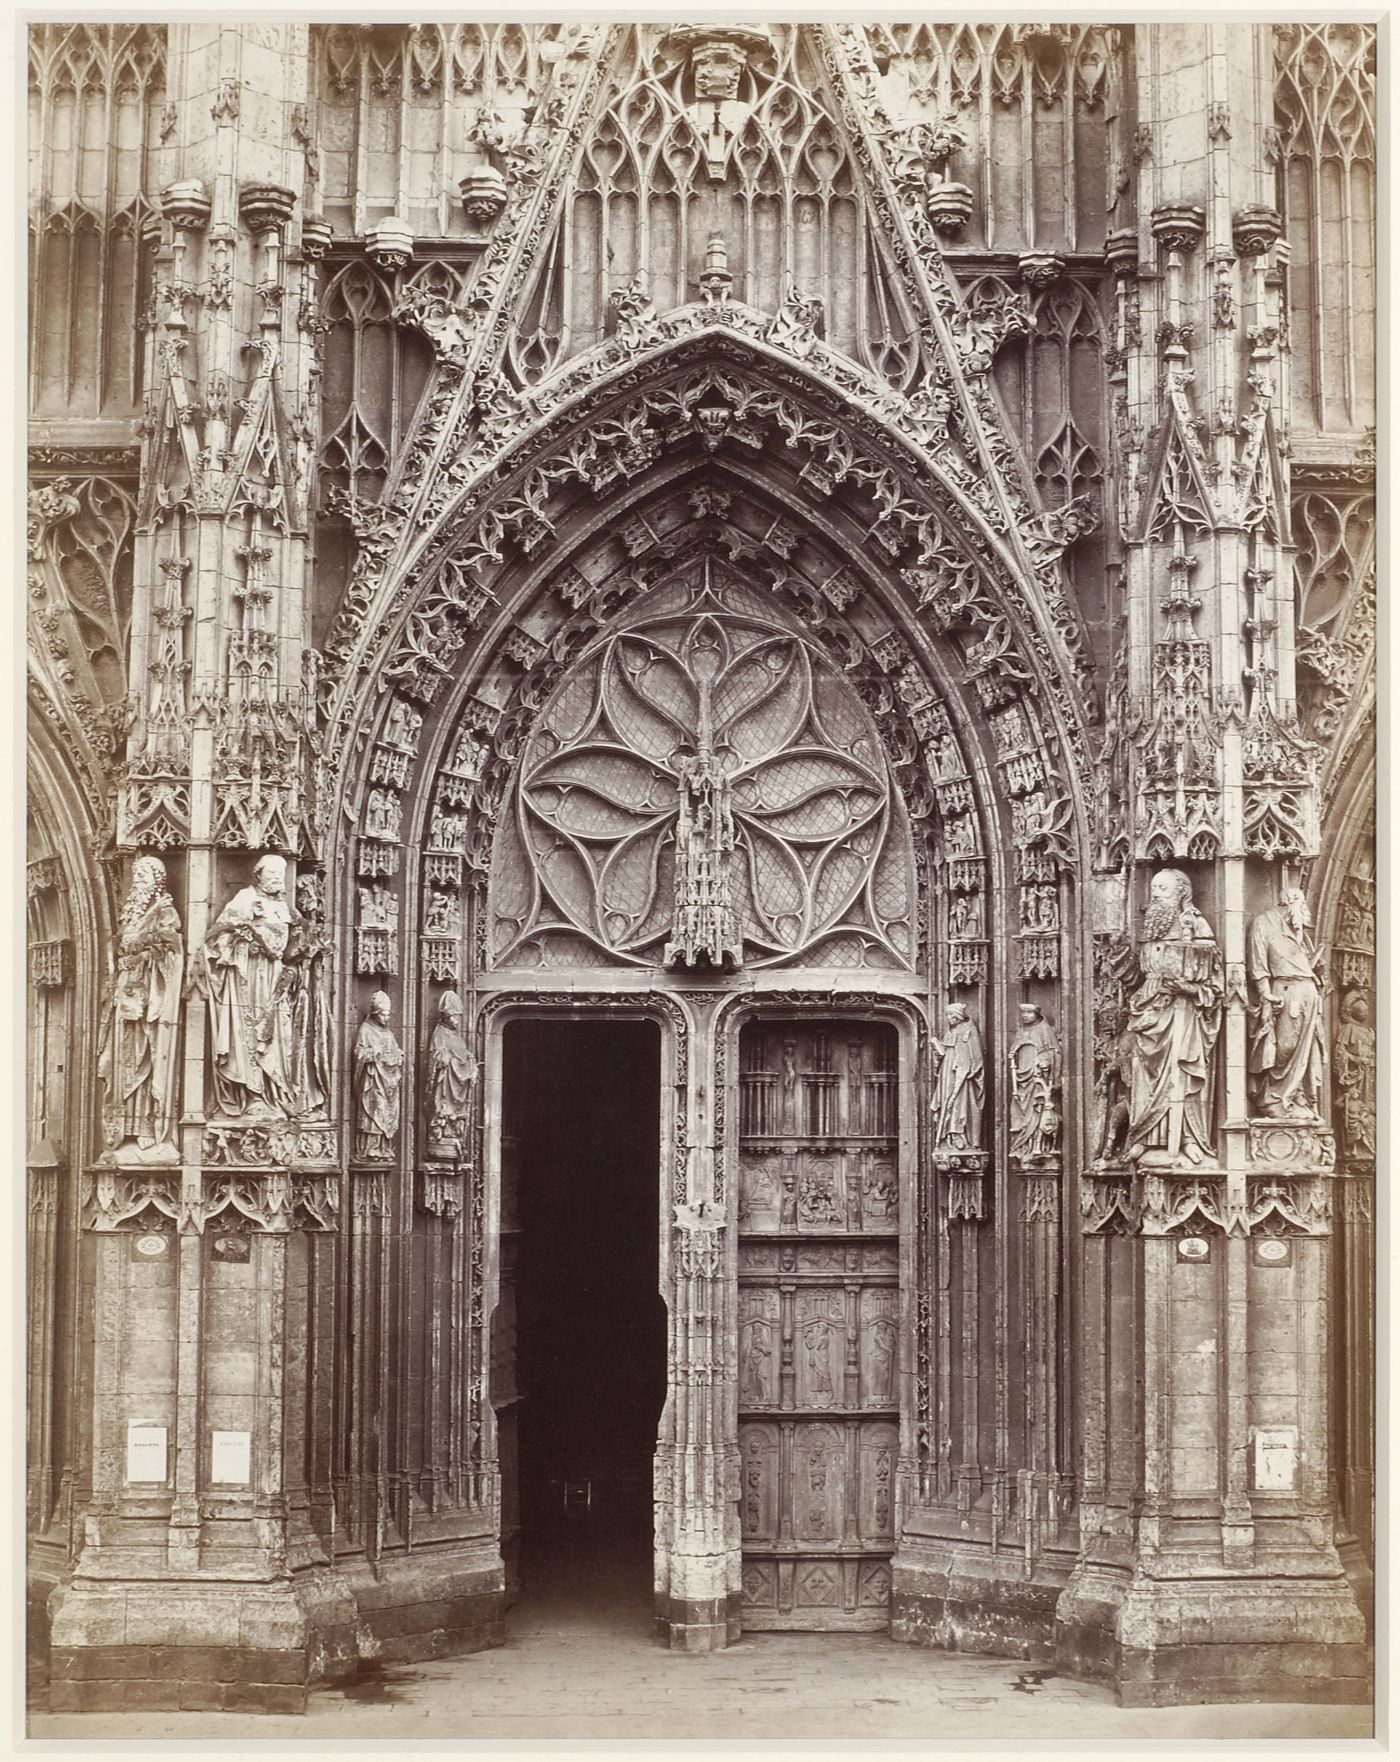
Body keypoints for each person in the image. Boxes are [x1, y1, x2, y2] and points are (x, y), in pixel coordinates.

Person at [1124, 868, 1222, 1165]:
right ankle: (1144, 1135)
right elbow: (1135, 975)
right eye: (1153, 887)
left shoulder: (1196, 925)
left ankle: (1188, 1138)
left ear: (1182, 891)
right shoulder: (1150, 929)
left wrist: (1189, 989)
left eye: (1163, 888)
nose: (1155, 893)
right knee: (1144, 1072)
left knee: (1182, 1070)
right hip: (1150, 1011)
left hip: (1182, 1011)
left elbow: (1215, 982)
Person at [97, 855, 184, 1156]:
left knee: (144, 1057)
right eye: (136, 876)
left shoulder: (164, 911)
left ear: (157, 882)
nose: (138, 883)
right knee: (121, 1061)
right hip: (125, 995)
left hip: (148, 998)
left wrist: (145, 956)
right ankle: (125, 1130)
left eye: (145, 877)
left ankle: (147, 1128)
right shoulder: (130, 915)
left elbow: (171, 949)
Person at [197, 852, 294, 1119]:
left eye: (280, 874)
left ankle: (271, 1095)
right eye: (271, 873)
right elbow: (217, 937)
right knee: (245, 1031)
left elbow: (280, 946)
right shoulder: (243, 899)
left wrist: (259, 933)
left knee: (272, 1033)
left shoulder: (281, 907)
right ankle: (251, 1093)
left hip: (270, 978)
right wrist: (240, 935)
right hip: (244, 976)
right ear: (258, 874)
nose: (276, 879)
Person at [1247, 887, 1327, 1120]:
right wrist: (1265, 993)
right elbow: (1258, 962)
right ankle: (1272, 1098)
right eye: (1302, 906)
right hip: (1284, 992)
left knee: (1306, 1051)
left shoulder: (1299, 930)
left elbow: (1305, 961)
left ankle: (1295, 1097)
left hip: (1308, 992)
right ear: (1291, 902)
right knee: (1285, 1047)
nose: (1305, 912)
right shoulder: (1264, 923)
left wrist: (1317, 968)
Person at [425, 989, 477, 1159]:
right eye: (454, 1017)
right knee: (444, 1111)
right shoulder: (440, 1033)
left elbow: (464, 1053)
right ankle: (441, 1135)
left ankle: (453, 1134)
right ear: (446, 1018)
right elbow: (437, 1056)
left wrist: (471, 1064)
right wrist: (448, 1060)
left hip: (458, 1087)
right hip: (447, 1086)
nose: (457, 1021)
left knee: (455, 1117)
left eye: (458, 1017)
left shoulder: (456, 1036)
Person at [353, 991, 404, 1161]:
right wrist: (374, 1054)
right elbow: (359, 1053)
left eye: (388, 1014)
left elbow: (398, 1053)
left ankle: (384, 1147)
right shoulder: (365, 1030)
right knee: (376, 1109)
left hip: (389, 1080)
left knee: (388, 1112)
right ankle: (370, 1148)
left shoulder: (388, 1034)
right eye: (383, 1014)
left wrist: (398, 1057)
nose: (386, 1017)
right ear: (375, 1013)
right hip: (373, 1081)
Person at [1008, 1002, 1061, 1163]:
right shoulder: (1021, 1032)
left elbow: (1054, 1053)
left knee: (1037, 1109)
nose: (1026, 1016)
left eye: (1029, 1013)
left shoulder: (1045, 1030)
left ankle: (1038, 1146)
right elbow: (1015, 1052)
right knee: (1019, 1112)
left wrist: (1044, 1061)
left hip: (1037, 1078)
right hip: (1021, 1078)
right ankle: (1023, 1146)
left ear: (1036, 1014)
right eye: (1023, 1013)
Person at [930, 1000, 984, 1153]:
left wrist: (967, 1070)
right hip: (947, 1073)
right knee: (946, 1100)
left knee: (959, 1101)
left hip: (961, 1073)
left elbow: (977, 1056)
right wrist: (938, 1053)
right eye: (947, 1015)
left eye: (951, 1015)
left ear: (959, 1016)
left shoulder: (969, 1030)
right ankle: (949, 1136)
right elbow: (944, 1055)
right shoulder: (950, 1032)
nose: (948, 1018)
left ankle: (959, 1135)